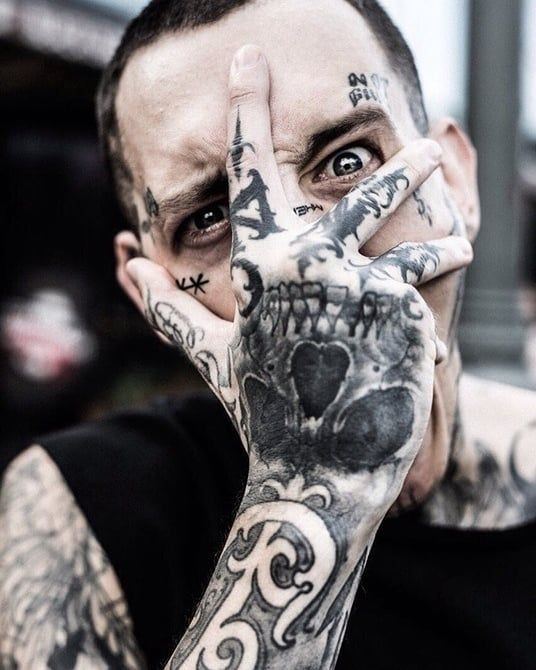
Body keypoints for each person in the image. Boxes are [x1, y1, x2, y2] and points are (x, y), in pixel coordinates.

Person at [1, 0, 535, 668]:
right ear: (149, 292)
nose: (299, 260)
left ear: (454, 182)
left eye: (347, 160)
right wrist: (316, 482)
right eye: (210, 217)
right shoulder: (75, 512)